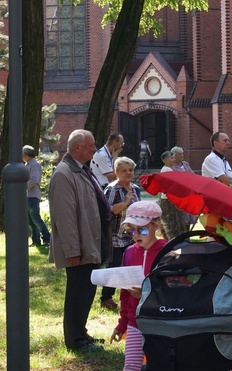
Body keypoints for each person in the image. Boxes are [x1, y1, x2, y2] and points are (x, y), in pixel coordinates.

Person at [49, 129, 110, 352]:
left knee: (86, 292)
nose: (95, 149)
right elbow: (65, 218)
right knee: (77, 293)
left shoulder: (81, 170)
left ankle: (81, 333)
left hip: (89, 243)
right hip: (80, 248)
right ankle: (75, 341)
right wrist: (72, 250)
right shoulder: (64, 174)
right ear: (77, 148)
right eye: (91, 145)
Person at [109, 201, 167, 371]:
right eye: (131, 231)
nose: (135, 235)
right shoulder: (128, 253)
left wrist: (147, 292)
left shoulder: (167, 252)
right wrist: (122, 324)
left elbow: (174, 290)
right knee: (131, 367)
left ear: (156, 225)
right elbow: (124, 294)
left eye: (141, 230)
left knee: (160, 365)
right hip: (135, 323)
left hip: (160, 323)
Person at [101, 156, 140, 311]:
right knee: (115, 266)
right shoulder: (112, 189)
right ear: (116, 172)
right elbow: (107, 211)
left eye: (130, 170)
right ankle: (106, 297)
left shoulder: (135, 188)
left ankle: (131, 295)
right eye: (124, 171)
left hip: (132, 236)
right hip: (115, 236)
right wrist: (125, 202)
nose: (128, 173)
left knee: (132, 266)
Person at [23, 145, 50, 247]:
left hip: (33, 195)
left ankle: (47, 238)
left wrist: (23, 187)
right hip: (28, 195)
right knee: (30, 220)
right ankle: (36, 241)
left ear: (25, 154)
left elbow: (34, 179)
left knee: (35, 218)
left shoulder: (34, 164)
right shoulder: (28, 164)